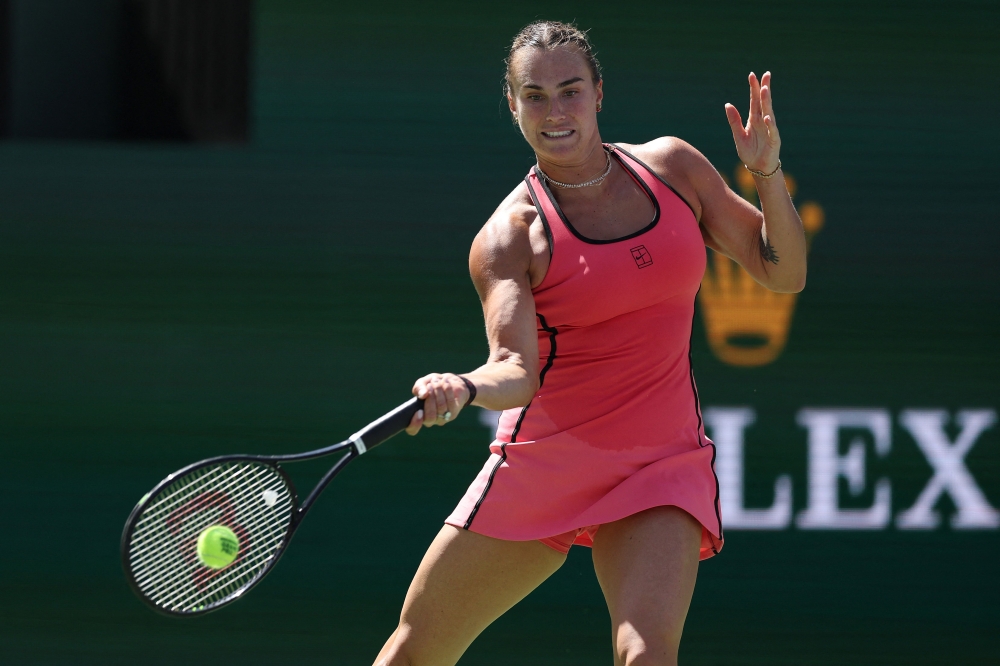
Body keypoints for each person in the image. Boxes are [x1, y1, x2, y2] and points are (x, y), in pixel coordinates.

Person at [374, 20, 806, 666]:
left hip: (659, 462)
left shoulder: (675, 169)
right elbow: (515, 370)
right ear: (513, 104)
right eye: (536, 95)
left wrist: (767, 172)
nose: (556, 111)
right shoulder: (509, 237)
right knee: (414, 652)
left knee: (646, 654)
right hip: (547, 460)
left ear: (599, 93)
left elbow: (783, 271)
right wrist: (462, 386)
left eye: (570, 90)